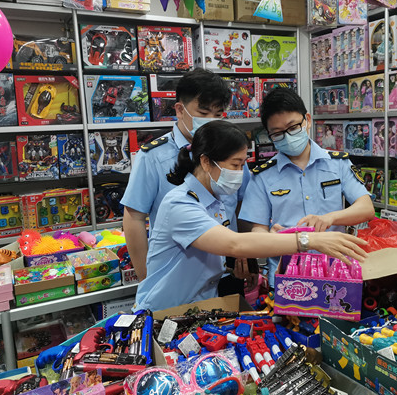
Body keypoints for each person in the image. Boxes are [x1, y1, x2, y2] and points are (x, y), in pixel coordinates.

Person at [135, 121, 368, 311]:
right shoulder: (180, 204)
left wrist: (276, 239)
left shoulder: (215, 200)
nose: (240, 173)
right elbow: (234, 244)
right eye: (235, 165)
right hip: (164, 311)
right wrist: (308, 240)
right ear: (205, 162)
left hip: (201, 305)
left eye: (243, 165)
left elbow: (215, 251)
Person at [121, 68, 251, 283]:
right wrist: (147, 279)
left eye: (218, 115)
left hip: (228, 272)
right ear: (180, 110)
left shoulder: (231, 152)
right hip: (178, 278)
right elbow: (134, 217)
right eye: (203, 113)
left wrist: (248, 259)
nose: (211, 121)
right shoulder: (153, 156)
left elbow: (241, 205)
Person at [238, 89, 375, 285]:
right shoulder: (262, 176)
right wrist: (271, 237)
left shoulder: (337, 163)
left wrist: (330, 218)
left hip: (334, 274)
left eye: (293, 127)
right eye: (277, 133)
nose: (287, 137)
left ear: (307, 120)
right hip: (286, 277)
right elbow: (257, 230)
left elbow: (366, 208)